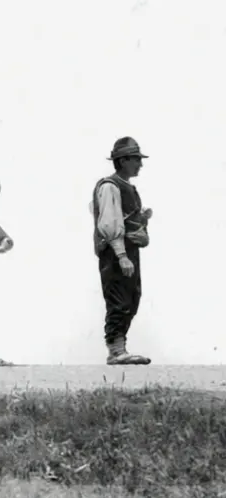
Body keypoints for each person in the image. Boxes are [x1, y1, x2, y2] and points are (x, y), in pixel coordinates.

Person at [91, 137, 153, 365]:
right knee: (119, 299)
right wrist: (121, 255)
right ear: (124, 160)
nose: (140, 165)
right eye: (136, 159)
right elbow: (108, 223)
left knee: (132, 297)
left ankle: (120, 347)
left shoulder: (125, 186)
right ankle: (116, 351)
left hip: (128, 250)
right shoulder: (110, 186)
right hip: (117, 252)